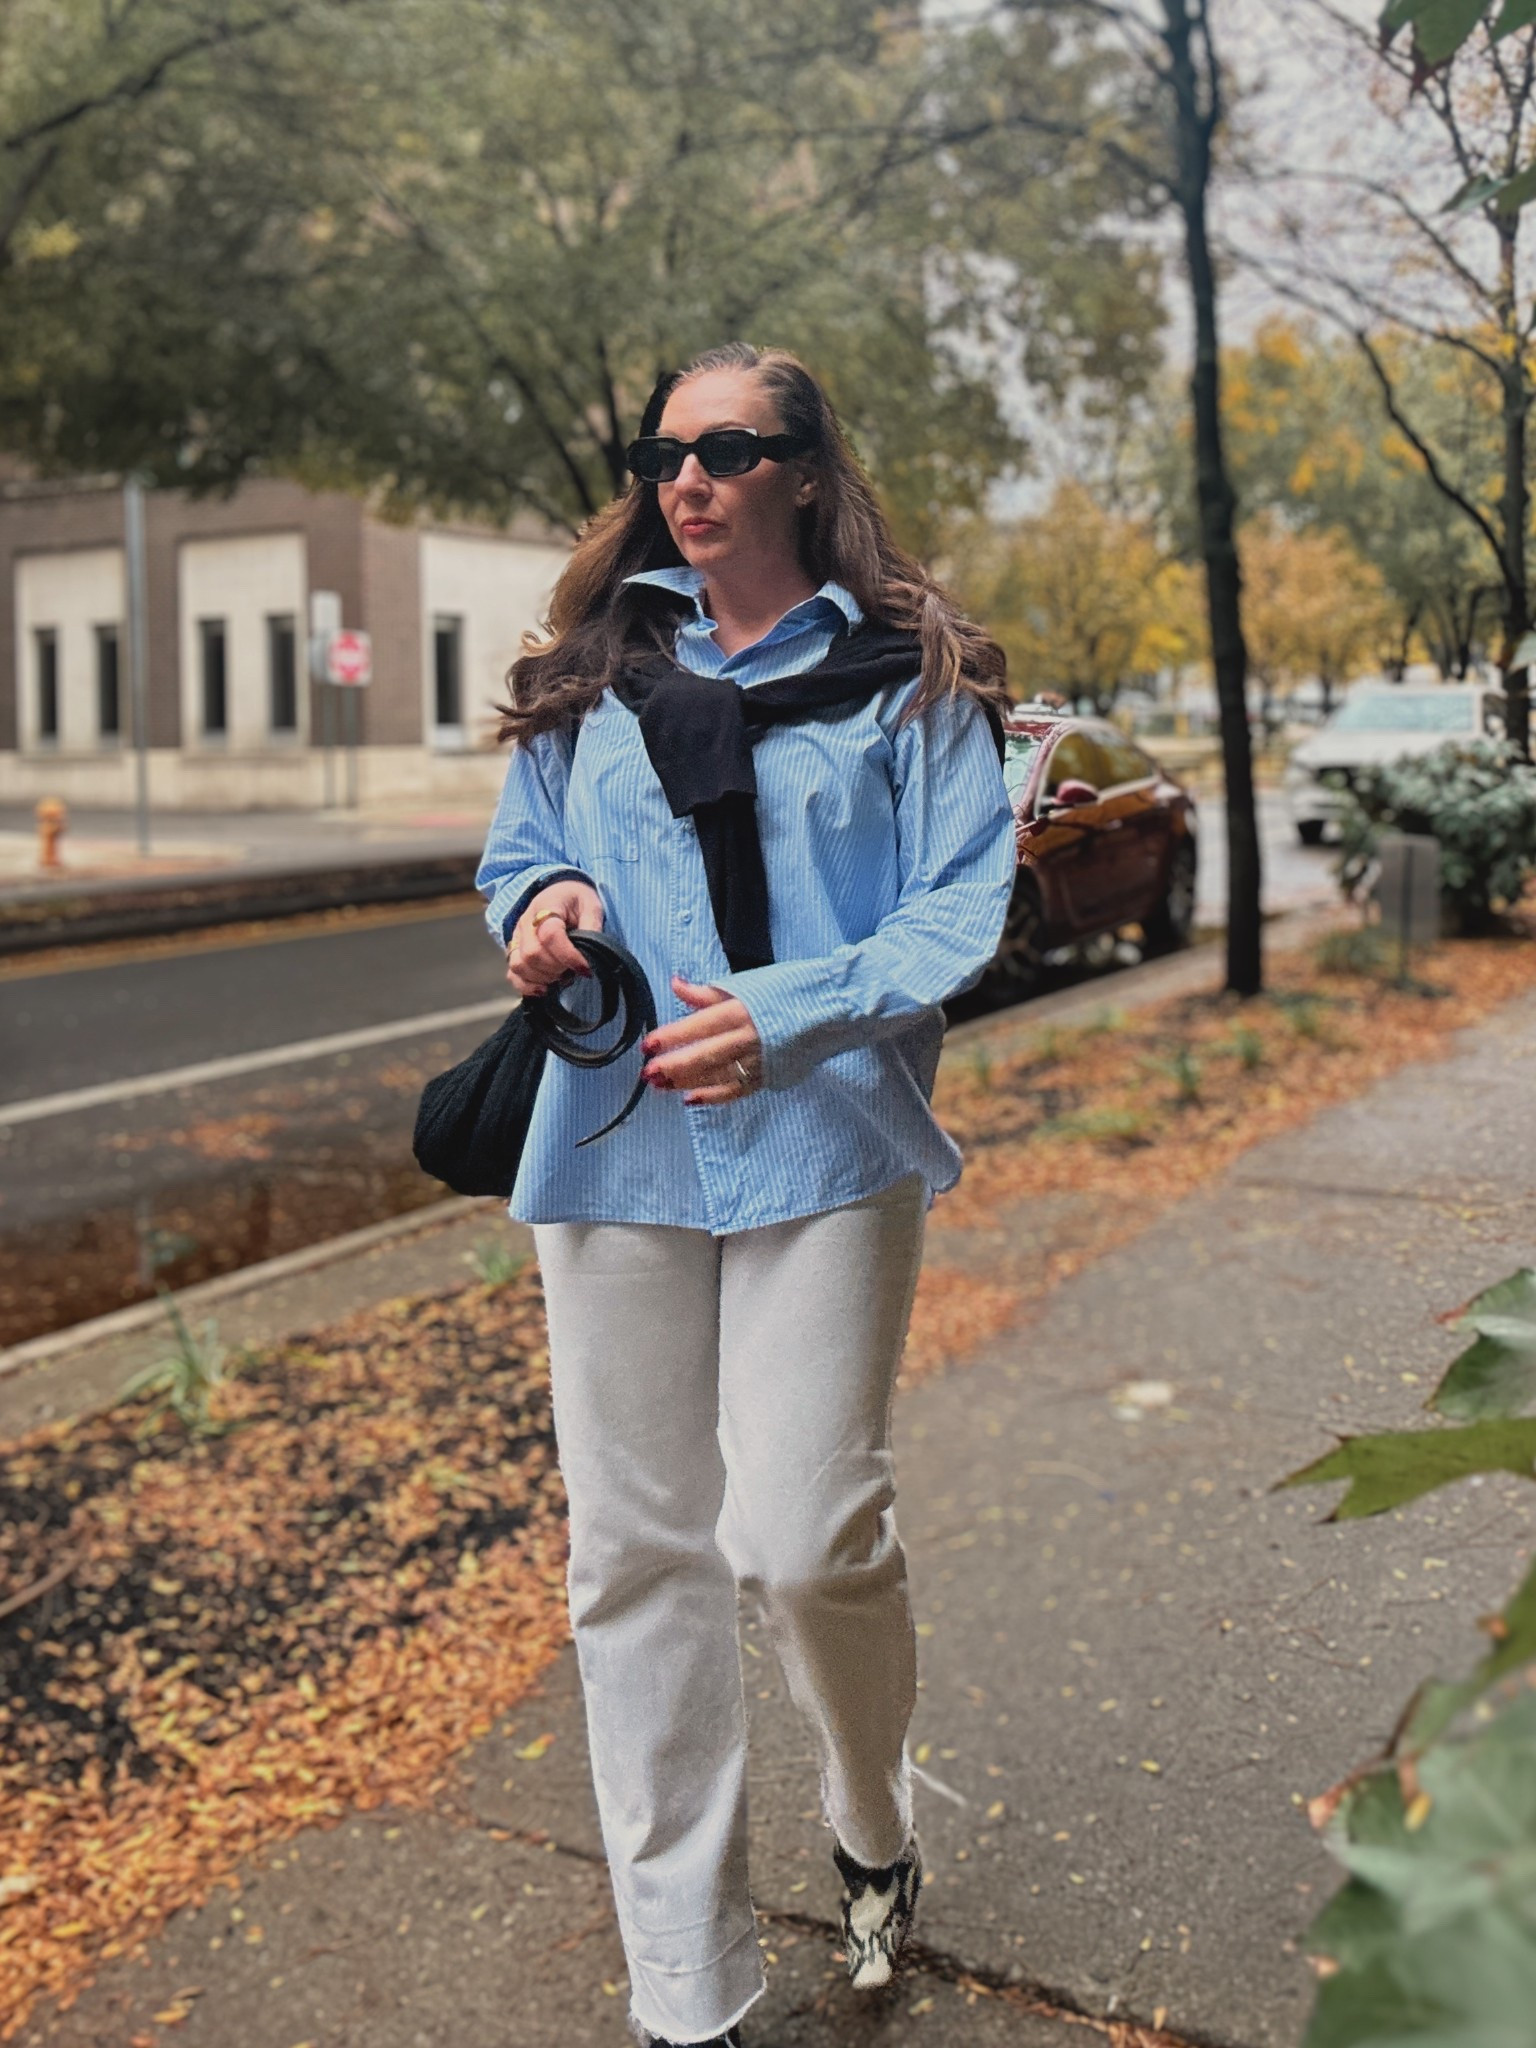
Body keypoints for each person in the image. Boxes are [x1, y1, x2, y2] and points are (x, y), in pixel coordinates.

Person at [477, 342, 1015, 2048]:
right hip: (612, 1135)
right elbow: (517, 849)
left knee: (802, 1537)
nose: (686, 478)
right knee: (634, 1556)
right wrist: (544, 902)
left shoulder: (910, 681)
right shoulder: (597, 670)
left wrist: (778, 1020)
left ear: (801, 470)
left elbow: (950, 918)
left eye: (727, 449)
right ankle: (688, 1987)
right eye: (665, 452)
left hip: (826, 1140)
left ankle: (872, 1821)